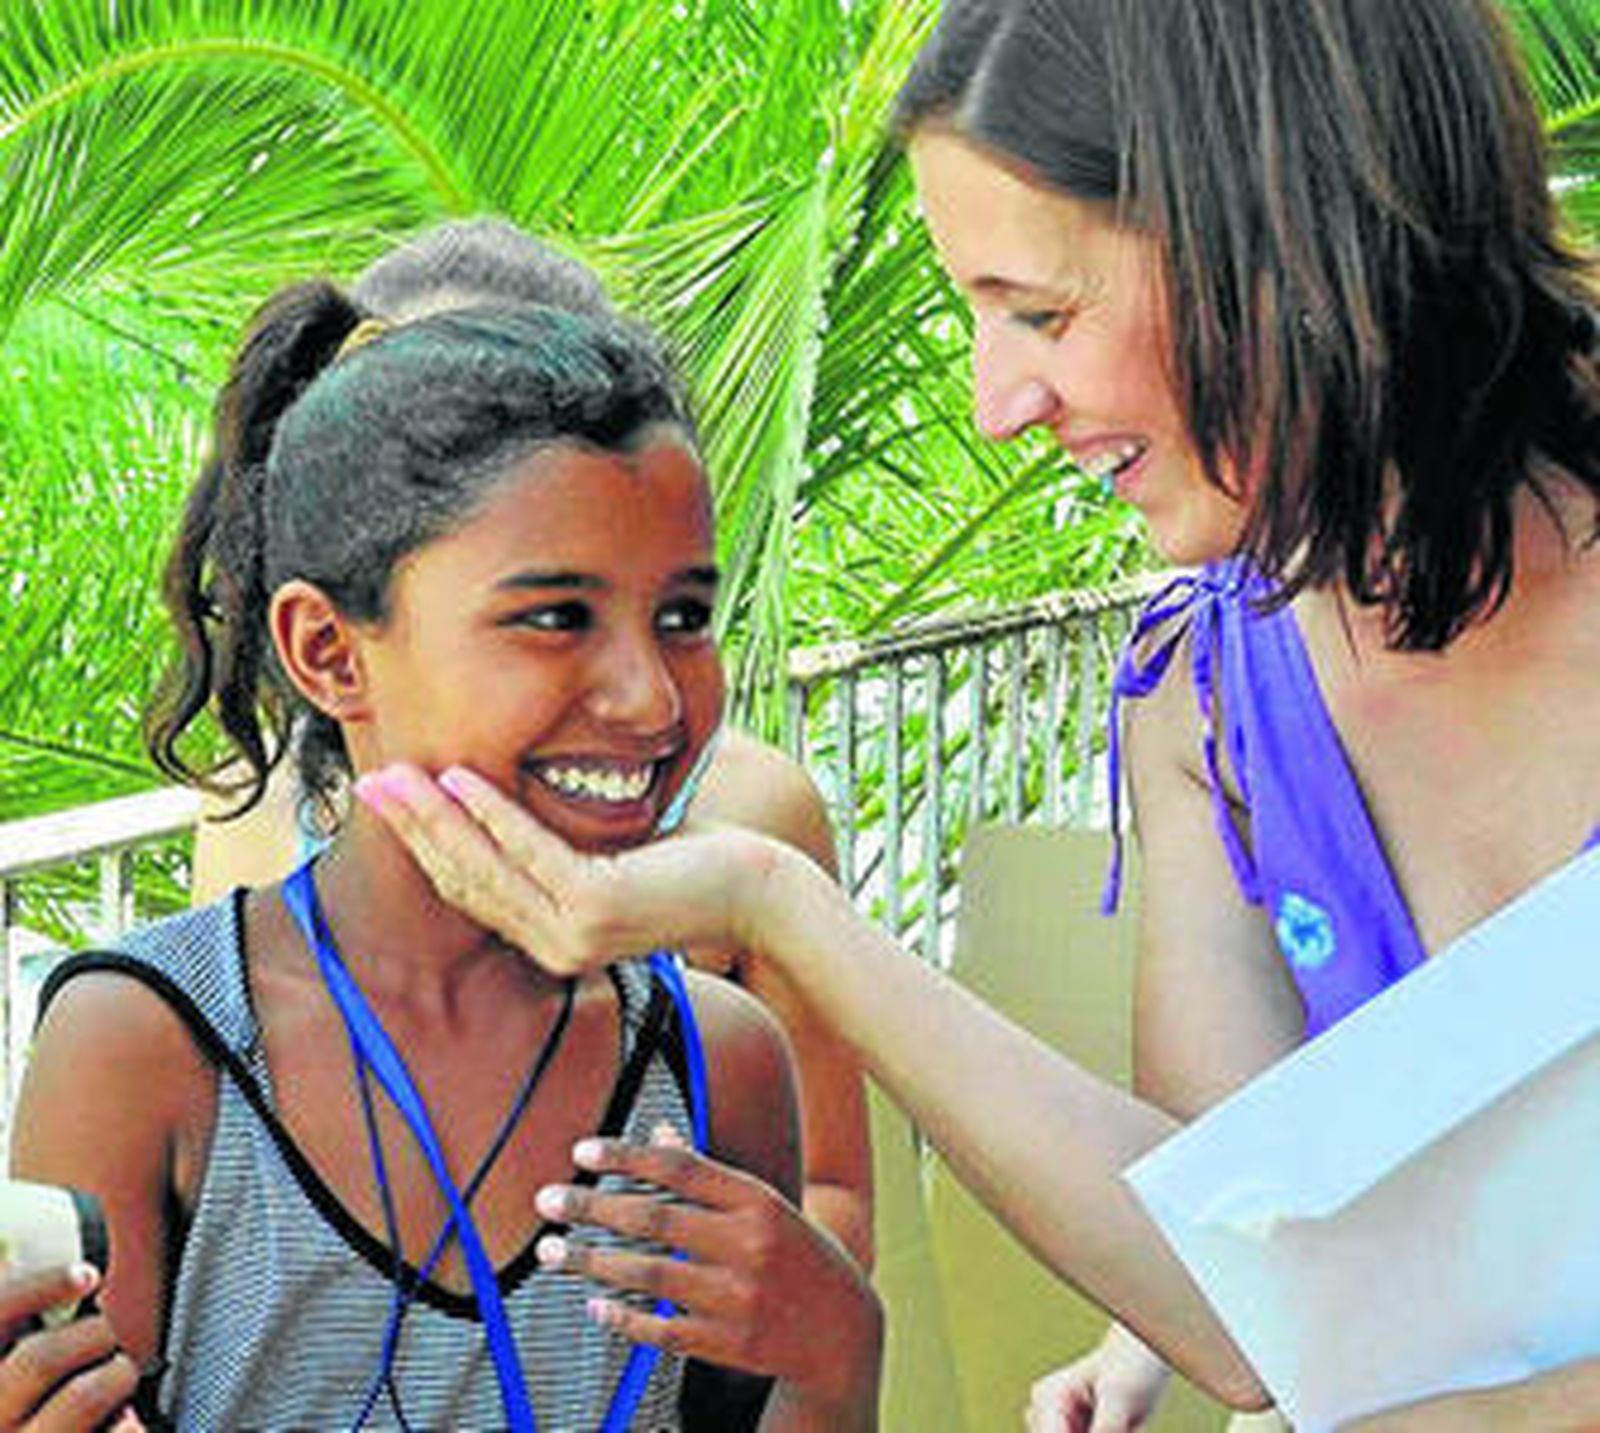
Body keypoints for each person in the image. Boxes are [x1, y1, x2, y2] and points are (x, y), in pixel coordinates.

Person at [352, 0, 1600, 1425]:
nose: (999, 400)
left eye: (1044, 313)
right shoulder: (1209, 698)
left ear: (1281, 237)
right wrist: (778, 906)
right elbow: (1243, 1290)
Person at [1, 289, 881, 1428]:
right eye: (557, 617)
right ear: (330, 652)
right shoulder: (156, 1045)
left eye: (684, 614)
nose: (651, 695)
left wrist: (840, 1349)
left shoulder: (713, 1064)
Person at [188, 217, 874, 1274]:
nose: (642, 697)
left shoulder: (753, 818)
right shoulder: (256, 820)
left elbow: (830, 1189)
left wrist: (738, 1293)